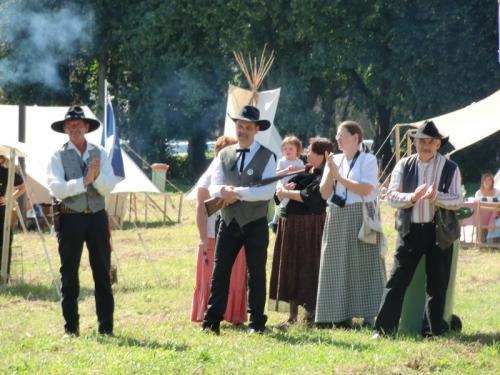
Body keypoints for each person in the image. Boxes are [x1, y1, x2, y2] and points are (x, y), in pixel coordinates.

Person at [374, 120, 463, 338]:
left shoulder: (450, 168)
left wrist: (437, 197)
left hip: (438, 231)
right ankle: (384, 330)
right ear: (414, 143)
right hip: (410, 231)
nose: (425, 145)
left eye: (430, 141)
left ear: (438, 144)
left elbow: (458, 200)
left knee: (437, 284)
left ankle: (434, 332)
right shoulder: (403, 165)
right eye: (421, 141)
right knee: (397, 280)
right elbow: (391, 196)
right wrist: (412, 197)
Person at [201, 105, 277, 335]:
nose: (242, 130)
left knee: (256, 273)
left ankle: (257, 323)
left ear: (256, 129)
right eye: (240, 126)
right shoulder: (223, 154)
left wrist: (238, 193)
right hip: (229, 221)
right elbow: (212, 185)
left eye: (247, 127)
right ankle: (212, 321)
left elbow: (267, 192)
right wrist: (223, 190)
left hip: (255, 222)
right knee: (220, 272)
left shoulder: (268, 155)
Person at [47, 105, 118, 337]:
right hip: (70, 219)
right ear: (65, 129)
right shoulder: (58, 155)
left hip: (96, 218)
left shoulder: (100, 153)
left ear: (87, 127)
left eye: (78, 124)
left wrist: (95, 179)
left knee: (102, 272)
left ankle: (106, 327)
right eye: (70, 125)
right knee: (69, 275)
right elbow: (56, 188)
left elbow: (109, 186)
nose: (74, 128)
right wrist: (83, 181)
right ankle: (71, 329)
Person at [316, 121, 386, 329]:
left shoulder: (368, 159)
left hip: (360, 214)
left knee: (364, 263)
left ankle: (369, 315)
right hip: (337, 214)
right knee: (336, 264)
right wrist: (331, 173)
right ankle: (337, 314)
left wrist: (339, 177)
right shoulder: (335, 159)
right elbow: (324, 193)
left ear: (355, 137)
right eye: (337, 135)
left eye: (341, 135)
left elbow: (366, 189)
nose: (337, 139)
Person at [269, 137, 333, 326]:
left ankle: (311, 314)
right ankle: (292, 316)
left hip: (310, 226)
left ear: (322, 155)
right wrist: (283, 190)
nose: (307, 153)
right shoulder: (304, 170)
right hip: (291, 224)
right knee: (291, 268)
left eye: (311, 151)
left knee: (308, 267)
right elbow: (278, 193)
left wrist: (287, 193)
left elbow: (311, 197)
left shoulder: (324, 174)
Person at [191, 135, 247, 324]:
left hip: (234, 230)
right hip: (213, 234)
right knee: (213, 277)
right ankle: (210, 313)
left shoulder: (233, 172)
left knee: (235, 276)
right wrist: (203, 238)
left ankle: (232, 313)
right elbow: (201, 208)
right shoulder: (210, 176)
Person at [268, 136, 305, 233]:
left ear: (297, 150)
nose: (287, 151)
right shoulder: (282, 161)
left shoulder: (299, 161)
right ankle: (276, 219)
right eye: (285, 149)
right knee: (283, 199)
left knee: (285, 199)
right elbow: (277, 174)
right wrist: (286, 170)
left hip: (293, 183)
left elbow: (303, 171)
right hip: (282, 183)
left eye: (291, 149)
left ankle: (275, 220)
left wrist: (296, 169)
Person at [0, 154, 26, 279]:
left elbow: (23, 186)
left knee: (4, 242)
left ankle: (4, 275)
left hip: (2, 215)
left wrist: (9, 198)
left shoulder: (6, 172)